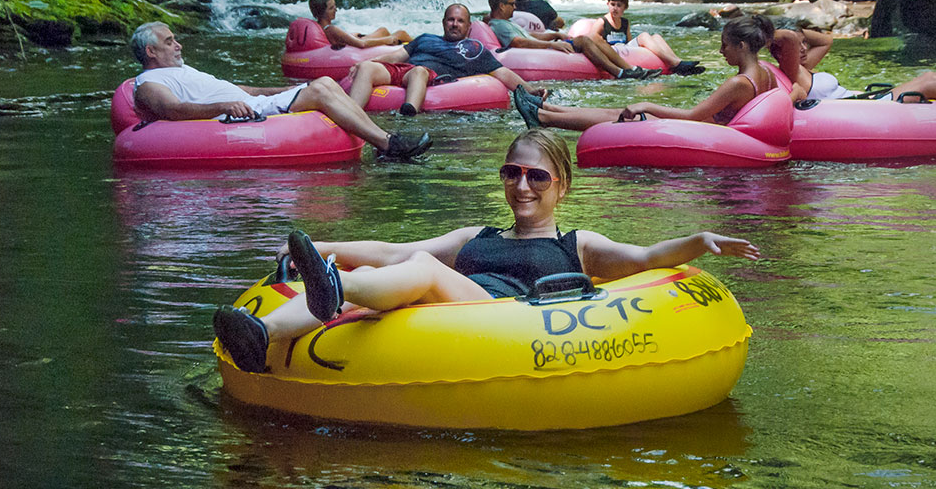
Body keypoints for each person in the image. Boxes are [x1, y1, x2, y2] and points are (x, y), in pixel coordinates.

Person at [212, 129, 760, 373]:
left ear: (561, 185)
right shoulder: (478, 236)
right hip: (440, 316)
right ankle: (262, 334)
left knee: (422, 270)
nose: (523, 186)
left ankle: (336, 287)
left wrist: (698, 242)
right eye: (512, 173)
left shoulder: (577, 245)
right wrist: (322, 242)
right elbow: (391, 247)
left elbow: (645, 259)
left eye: (537, 177)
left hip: (504, 322)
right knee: (414, 266)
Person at [129, 22, 431, 160]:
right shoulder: (148, 84)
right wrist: (225, 106)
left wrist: (284, 89)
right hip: (236, 116)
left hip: (249, 104)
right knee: (324, 88)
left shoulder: (182, 70)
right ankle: (387, 144)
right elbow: (172, 110)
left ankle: (384, 141)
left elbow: (241, 89)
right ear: (150, 51)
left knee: (321, 82)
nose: (178, 44)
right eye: (169, 41)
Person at [769, 25, 936, 155]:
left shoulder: (806, 65)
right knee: (931, 80)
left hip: (865, 102)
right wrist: (767, 32)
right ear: (781, 51)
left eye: (806, 43)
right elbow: (788, 39)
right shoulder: (791, 69)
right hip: (863, 110)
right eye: (799, 46)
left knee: (931, 78)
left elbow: (826, 40)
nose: (804, 48)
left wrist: (800, 31)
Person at [511, 15, 779, 131]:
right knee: (620, 111)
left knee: (627, 116)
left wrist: (647, 102)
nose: (722, 52)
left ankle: (543, 117)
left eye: (725, 45)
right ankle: (547, 108)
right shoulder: (766, 73)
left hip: (704, 131)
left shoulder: (739, 82)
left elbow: (693, 116)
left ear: (742, 46)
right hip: (711, 127)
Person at [347, 4, 539, 117]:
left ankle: (409, 115)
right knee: (367, 67)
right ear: (443, 22)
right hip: (403, 70)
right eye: (450, 20)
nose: (454, 24)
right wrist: (370, 61)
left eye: (460, 21)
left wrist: (530, 92)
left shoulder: (473, 49)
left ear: (468, 26)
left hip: (424, 75)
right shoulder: (424, 38)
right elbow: (397, 56)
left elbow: (501, 72)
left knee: (419, 71)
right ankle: (350, 114)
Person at [487, 0, 661, 80]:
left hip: (540, 47)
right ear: (501, 6)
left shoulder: (506, 23)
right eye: (511, 4)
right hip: (537, 52)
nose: (515, 6)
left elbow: (529, 37)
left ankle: (628, 69)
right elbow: (519, 43)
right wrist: (552, 44)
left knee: (588, 39)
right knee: (586, 40)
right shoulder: (499, 25)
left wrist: (556, 35)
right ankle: (621, 72)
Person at [583, 0, 704, 76]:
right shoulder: (602, 21)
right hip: (612, 51)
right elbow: (591, 38)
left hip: (625, 50)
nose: (615, 8)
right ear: (607, 4)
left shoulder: (625, 22)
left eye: (619, 5)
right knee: (644, 35)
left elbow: (630, 42)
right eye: (612, 4)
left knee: (656, 36)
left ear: (625, 8)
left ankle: (677, 63)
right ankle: (675, 63)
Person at [309, 0, 413, 49]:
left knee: (383, 30)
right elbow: (362, 44)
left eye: (335, 6)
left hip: (351, 44)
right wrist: (387, 40)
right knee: (400, 33)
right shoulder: (331, 29)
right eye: (331, 8)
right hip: (358, 47)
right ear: (322, 12)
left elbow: (340, 40)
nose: (336, 9)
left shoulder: (318, 27)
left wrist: (352, 35)